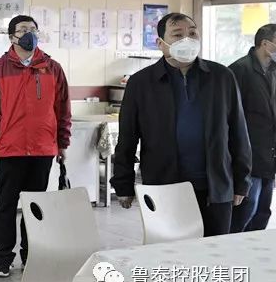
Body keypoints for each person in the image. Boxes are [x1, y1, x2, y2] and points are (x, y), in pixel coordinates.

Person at [112, 12, 251, 236]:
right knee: (171, 250)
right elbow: (127, 137)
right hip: (164, 185)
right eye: (177, 35)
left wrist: (241, 181)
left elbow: (239, 132)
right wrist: (123, 183)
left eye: (192, 33)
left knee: (214, 249)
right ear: (160, 43)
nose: (187, 39)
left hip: (215, 186)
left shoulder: (221, 76)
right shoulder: (141, 82)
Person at [0, 15, 71, 277]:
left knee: (35, 206)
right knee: (6, 204)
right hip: (10, 149)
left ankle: (31, 256)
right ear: (11, 36)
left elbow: (62, 108)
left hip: (42, 149)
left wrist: (62, 142)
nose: (29, 34)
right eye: (23, 29)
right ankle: (3, 258)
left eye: (33, 29)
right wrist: (0, 129)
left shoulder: (52, 68)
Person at [229, 23, 276, 232]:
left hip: (269, 154)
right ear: (265, 44)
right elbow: (230, 116)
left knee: (263, 211)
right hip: (248, 154)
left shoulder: (274, 70)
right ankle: (232, 248)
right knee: (247, 208)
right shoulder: (239, 70)